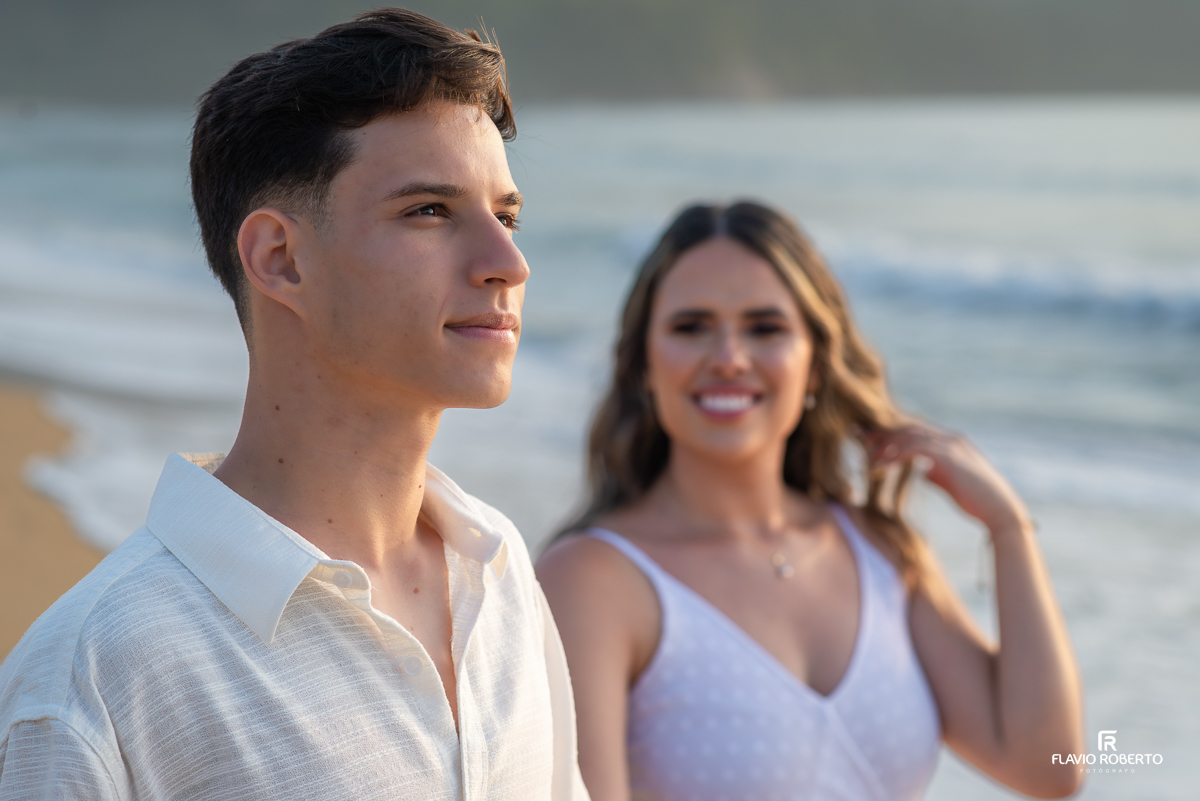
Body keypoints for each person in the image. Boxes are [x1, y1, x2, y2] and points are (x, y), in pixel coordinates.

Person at [0, 10, 588, 800]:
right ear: (279, 259)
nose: (508, 262)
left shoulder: (498, 565)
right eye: (429, 211)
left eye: (506, 215)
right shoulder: (96, 675)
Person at [537, 201, 1084, 801]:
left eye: (765, 328)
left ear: (816, 364)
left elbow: (1048, 765)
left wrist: (1009, 529)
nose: (728, 358)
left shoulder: (879, 549)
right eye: (691, 326)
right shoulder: (590, 581)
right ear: (644, 361)